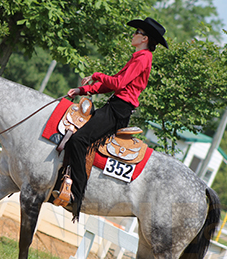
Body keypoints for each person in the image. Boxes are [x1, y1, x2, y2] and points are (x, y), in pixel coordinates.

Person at [62, 17, 169, 220]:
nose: (133, 34)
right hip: (115, 106)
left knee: (79, 139)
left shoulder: (143, 58)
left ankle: (76, 194)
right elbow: (112, 85)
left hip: (118, 110)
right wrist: (82, 90)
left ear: (144, 38)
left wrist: (97, 74)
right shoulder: (138, 56)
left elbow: (118, 84)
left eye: (137, 31)